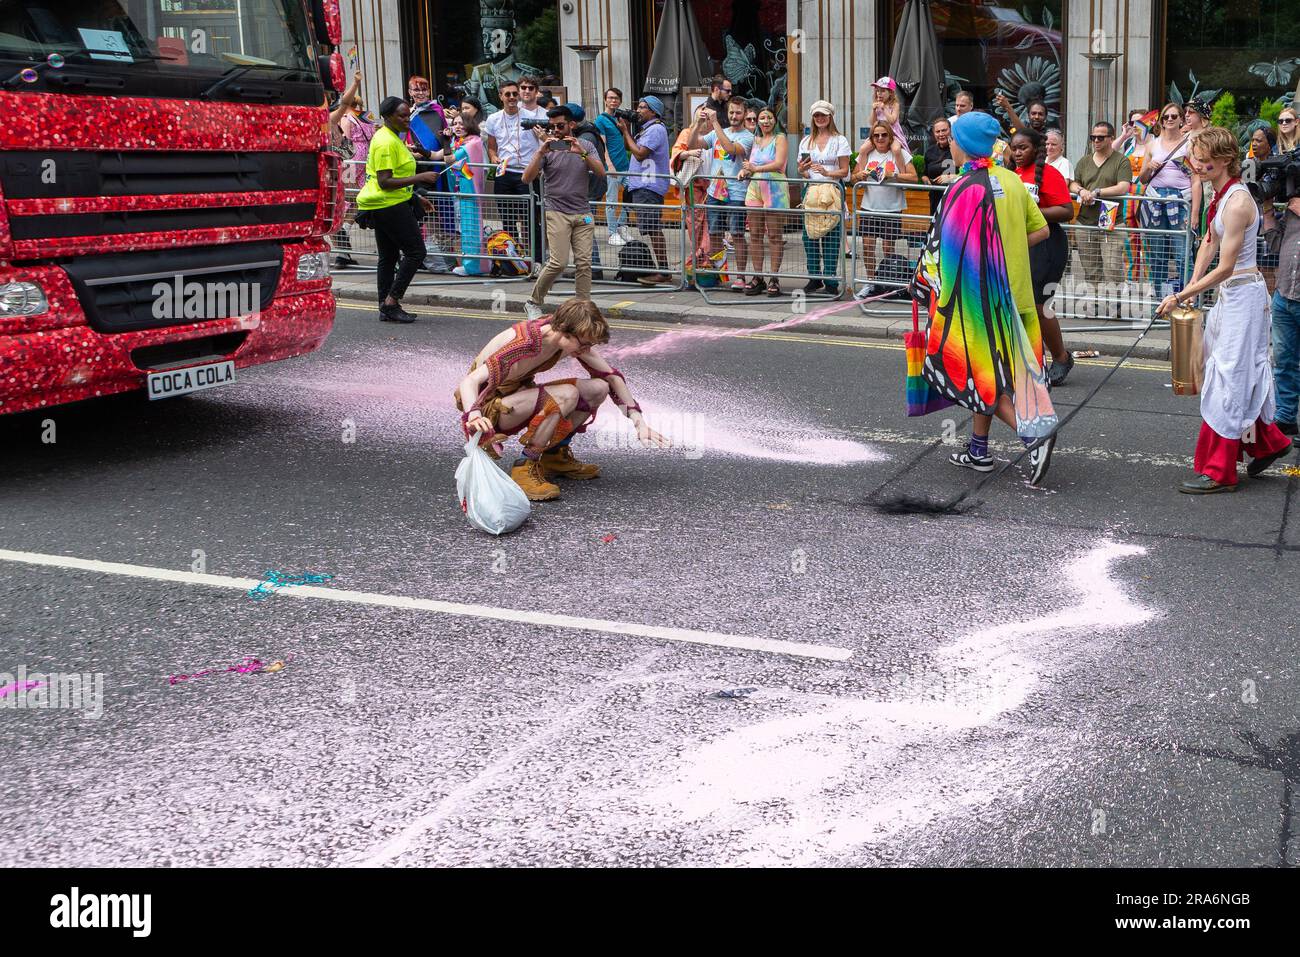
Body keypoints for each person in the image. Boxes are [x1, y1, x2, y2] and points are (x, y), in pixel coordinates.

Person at [913, 110, 1058, 484]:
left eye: (956, 139)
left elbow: (943, 249)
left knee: (981, 373)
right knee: (997, 375)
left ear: (967, 145)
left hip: (980, 301)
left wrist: (923, 283)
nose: (952, 144)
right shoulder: (1011, 181)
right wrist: (1004, 248)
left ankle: (1033, 434)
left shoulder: (963, 188)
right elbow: (1041, 231)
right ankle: (978, 450)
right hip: (1019, 296)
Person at [1157, 127, 1292, 492]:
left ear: (1222, 161)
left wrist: (1183, 296)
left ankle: (1219, 471)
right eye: (1193, 158)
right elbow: (1208, 242)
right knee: (1229, 372)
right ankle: (1269, 443)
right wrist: (1189, 288)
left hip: (1244, 295)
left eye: (1200, 160)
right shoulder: (1222, 195)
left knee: (1228, 378)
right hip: (1232, 296)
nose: (1194, 165)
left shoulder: (1236, 202)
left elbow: (1227, 266)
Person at [456, 300, 668, 501]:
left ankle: (553, 456)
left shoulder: (561, 336)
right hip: (488, 410)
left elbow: (611, 377)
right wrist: (474, 415)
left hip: (514, 398)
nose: (586, 351)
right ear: (565, 330)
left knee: (598, 388)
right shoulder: (527, 341)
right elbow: (470, 382)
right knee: (567, 394)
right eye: (584, 344)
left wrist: (639, 422)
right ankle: (524, 467)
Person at [355, 96, 443, 323]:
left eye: (407, 115)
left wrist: (414, 197)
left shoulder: (391, 136)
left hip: (386, 204)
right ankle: (392, 301)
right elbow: (385, 181)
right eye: (401, 116)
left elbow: (393, 177)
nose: (407, 119)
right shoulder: (385, 141)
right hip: (388, 205)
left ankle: (385, 306)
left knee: (388, 256)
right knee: (416, 252)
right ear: (387, 117)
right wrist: (421, 177)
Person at [521, 105, 606, 318]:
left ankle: (582, 307)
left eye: (560, 126)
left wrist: (583, 153)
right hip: (557, 211)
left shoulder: (585, 144)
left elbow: (602, 173)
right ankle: (533, 302)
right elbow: (526, 178)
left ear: (571, 125)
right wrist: (541, 151)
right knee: (558, 262)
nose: (556, 130)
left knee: (584, 263)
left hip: (582, 212)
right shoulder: (548, 149)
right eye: (552, 126)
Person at [1010, 128, 1076, 386]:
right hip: (1021, 244)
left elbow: (1067, 211)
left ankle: (1061, 357)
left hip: (1047, 245)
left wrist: (1031, 212)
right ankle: (1030, 360)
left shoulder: (1050, 174)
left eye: (1023, 148)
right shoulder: (1011, 174)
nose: (1017, 153)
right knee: (1020, 304)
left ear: (1035, 149)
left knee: (1039, 306)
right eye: (1014, 148)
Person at [691, 95, 754, 292]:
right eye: (731, 112)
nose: (734, 116)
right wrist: (697, 123)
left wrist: (714, 122)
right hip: (714, 192)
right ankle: (718, 272)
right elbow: (694, 144)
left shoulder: (747, 136)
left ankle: (741, 276)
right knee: (715, 234)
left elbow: (730, 148)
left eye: (738, 112)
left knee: (736, 234)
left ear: (744, 114)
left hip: (736, 193)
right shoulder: (720, 131)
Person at [483, 78, 547, 261]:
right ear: (501, 96)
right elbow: (492, 147)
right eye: (508, 94)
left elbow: (544, 143)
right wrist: (494, 157)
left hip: (527, 174)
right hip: (504, 173)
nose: (512, 97)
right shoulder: (493, 118)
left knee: (531, 221)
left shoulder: (532, 116)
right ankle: (514, 260)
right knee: (508, 220)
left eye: (514, 94)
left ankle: (537, 260)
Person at [851, 121, 916, 297]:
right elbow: (853, 178)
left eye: (884, 135)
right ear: (871, 138)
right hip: (869, 207)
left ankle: (888, 283)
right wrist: (859, 175)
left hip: (892, 208)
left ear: (890, 136)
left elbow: (913, 178)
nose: (880, 138)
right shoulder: (867, 153)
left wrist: (893, 175)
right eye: (876, 135)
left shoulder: (899, 153)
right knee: (868, 247)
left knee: (888, 248)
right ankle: (871, 283)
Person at [1139, 102, 1196, 297]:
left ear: (1181, 119)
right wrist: (1149, 168)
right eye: (1166, 117)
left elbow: (1196, 179)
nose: (1170, 120)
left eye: (1174, 116)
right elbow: (1142, 178)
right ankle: (1161, 300)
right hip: (1154, 201)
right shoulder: (1152, 144)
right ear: (1161, 121)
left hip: (1181, 202)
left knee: (1183, 256)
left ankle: (1185, 299)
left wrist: (1195, 212)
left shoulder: (1190, 144)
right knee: (1157, 256)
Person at [1070, 121, 1132, 301]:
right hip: (1085, 221)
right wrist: (1081, 191)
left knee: (1112, 267)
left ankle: (1117, 304)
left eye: (1100, 137)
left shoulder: (1121, 160)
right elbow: (1074, 182)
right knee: (1090, 267)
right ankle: (1095, 303)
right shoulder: (1084, 161)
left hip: (1111, 220)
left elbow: (1123, 187)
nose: (1096, 141)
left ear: (1111, 138)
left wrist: (1097, 193)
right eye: (1093, 137)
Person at [798, 100, 851, 295]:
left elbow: (845, 170)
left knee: (831, 235)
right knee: (809, 236)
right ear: (813, 118)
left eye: (823, 115)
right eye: (816, 115)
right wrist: (803, 170)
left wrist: (827, 173)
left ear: (830, 117)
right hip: (811, 190)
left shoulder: (840, 140)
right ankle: (814, 277)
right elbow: (802, 171)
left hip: (832, 190)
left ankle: (830, 280)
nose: (820, 118)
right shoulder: (806, 141)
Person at [618, 95, 672, 285]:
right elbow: (630, 146)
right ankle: (662, 270)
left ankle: (664, 272)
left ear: (654, 112)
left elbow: (640, 154)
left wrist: (626, 131)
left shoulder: (656, 129)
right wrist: (626, 130)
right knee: (651, 228)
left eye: (642, 107)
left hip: (649, 186)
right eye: (638, 107)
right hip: (643, 185)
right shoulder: (647, 129)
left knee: (653, 228)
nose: (638, 110)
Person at [1262, 192, 1300, 437]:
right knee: (1284, 363)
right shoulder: (1292, 206)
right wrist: (1267, 210)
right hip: (1285, 294)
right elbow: (1276, 244)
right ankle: (1285, 417)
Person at [741, 106, 789, 297]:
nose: (765, 121)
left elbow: (778, 164)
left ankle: (774, 278)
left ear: (774, 121)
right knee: (755, 235)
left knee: (775, 236)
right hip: (755, 189)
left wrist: (754, 168)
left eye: (769, 118)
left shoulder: (780, 139)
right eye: (762, 118)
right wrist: (745, 171)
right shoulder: (755, 140)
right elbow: (750, 166)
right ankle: (758, 277)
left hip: (774, 190)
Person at [446, 114, 488, 277]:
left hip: (470, 193)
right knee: (465, 230)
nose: (457, 126)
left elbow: (448, 159)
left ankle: (473, 266)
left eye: (461, 123)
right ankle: (470, 264)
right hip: (460, 192)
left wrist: (444, 141)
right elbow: (437, 155)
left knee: (470, 230)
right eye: (454, 123)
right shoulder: (457, 143)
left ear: (469, 125)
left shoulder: (472, 143)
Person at [594, 88, 632, 245]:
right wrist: (609, 165)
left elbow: (624, 143)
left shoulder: (619, 118)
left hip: (625, 165)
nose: (613, 101)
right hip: (613, 167)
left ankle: (622, 225)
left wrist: (625, 127)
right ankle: (612, 233)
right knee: (612, 201)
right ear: (605, 100)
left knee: (632, 194)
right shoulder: (600, 120)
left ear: (620, 100)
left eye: (616, 98)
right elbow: (602, 146)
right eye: (610, 98)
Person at [921, 117, 956, 215]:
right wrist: (925, 179)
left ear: (950, 130)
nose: (941, 134)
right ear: (934, 133)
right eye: (938, 131)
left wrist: (951, 177)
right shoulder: (929, 151)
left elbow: (969, 172)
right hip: (935, 199)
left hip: (955, 198)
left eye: (944, 130)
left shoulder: (959, 149)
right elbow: (925, 174)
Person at [871, 77, 909, 146]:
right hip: (879, 134)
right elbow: (872, 123)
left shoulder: (894, 104)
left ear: (891, 93)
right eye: (877, 91)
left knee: (896, 149)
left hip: (893, 134)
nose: (879, 93)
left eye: (882, 91)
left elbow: (892, 121)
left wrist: (884, 108)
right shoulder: (876, 104)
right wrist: (873, 110)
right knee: (863, 149)